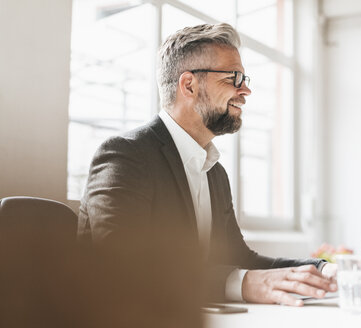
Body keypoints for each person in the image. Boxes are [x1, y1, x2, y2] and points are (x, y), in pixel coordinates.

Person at [78, 23, 338, 308]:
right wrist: (243, 282)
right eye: (233, 78)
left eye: (244, 78)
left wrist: (321, 269)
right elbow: (121, 268)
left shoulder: (214, 171)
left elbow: (240, 260)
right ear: (188, 84)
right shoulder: (126, 155)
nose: (246, 90)